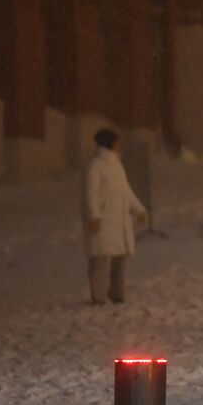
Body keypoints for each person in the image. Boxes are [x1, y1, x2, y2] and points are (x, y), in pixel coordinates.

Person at [82, 128, 147, 305]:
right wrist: (94, 216)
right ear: (109, 143)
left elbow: (126, 192)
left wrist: (138, 209)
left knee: (120, 258)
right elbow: (91, 194)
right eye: (118, 141)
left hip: (119, 220)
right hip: (104, 221)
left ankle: (117, 293)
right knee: (101, 259)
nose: (121, 145)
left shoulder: (117, 166)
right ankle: (99, 296)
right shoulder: (96, 166)